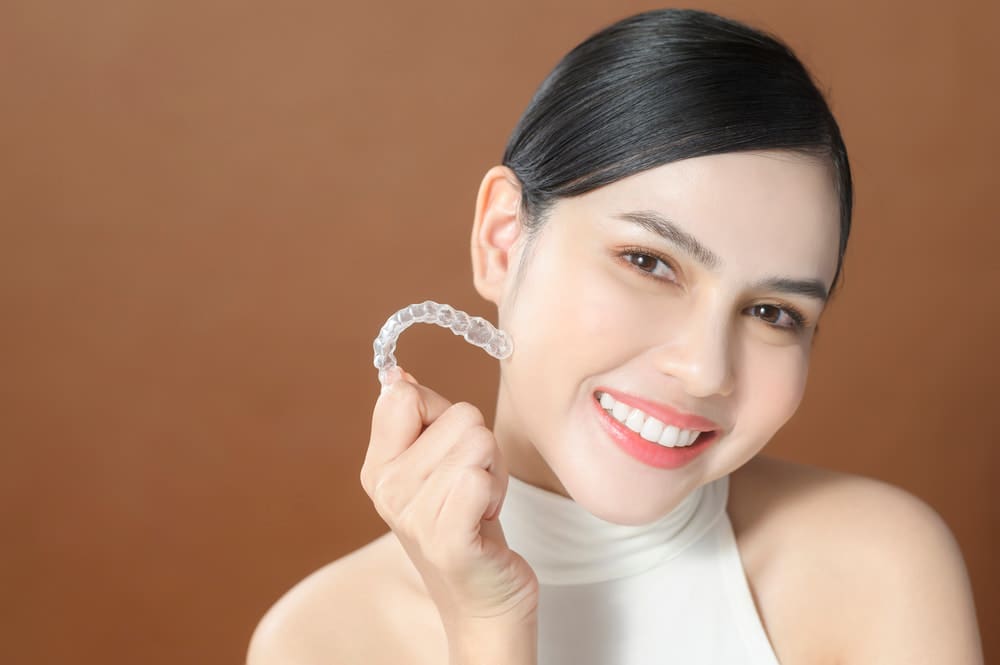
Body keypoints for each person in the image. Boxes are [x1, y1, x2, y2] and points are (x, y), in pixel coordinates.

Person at [247, 8, 984, 665]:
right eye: (650, 262)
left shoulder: (876, 568)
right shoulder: (321, 641)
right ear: (503, 240)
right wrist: (488, 628)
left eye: (772, 312)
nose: (703, 369)